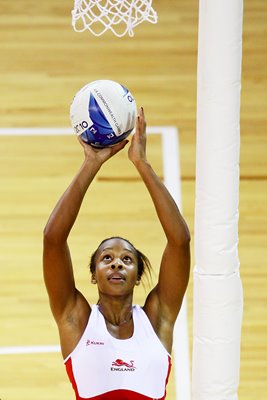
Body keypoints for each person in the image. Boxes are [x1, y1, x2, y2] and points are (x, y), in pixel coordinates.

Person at [43, 107, 191, 400]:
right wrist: (91, 163)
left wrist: (142, 164)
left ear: (137, 276)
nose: (116, 265)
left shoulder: (157, 320)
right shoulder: (77, 320)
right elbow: (53, 240)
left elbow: (180, 242)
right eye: (106, 258)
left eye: (127, 260)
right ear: (94, 276)